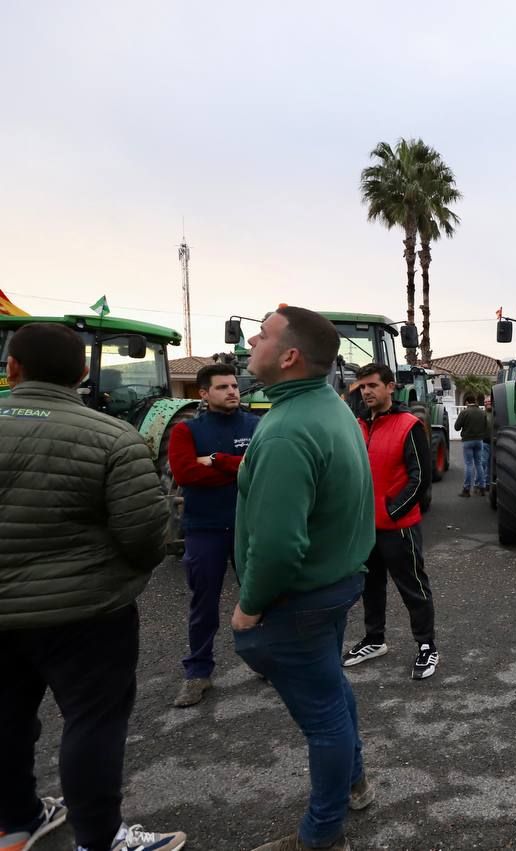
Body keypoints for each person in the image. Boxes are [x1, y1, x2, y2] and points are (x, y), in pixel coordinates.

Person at [0, 323, 186, 851]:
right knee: (93, 722)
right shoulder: (112, 437)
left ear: (11, 368)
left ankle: (16, 819)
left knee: (6, 718)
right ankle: (100, 839)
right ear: (83, 373)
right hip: (84, 615)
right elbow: (145, 535)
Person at [231, 307, 377, 851]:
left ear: (290, 355)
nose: (252, 339)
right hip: (332, 587)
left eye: (263, 334)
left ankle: (322, 835)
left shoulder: (289, 430)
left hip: (299, 598)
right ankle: (354, 783)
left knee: (323, 719)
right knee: (333, 693)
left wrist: (250, 606)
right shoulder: (328, 407)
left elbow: (277, 546)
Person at [168, 363, 259, 707]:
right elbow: (186, 473)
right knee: (203, 603)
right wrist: (238, 467)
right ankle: (198, 672)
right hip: (204, 529)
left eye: (234, 385)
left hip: (248, 527)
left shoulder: (256, 425)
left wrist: (216, 460)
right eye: (222, 387)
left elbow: (260, 467)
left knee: (258, 597)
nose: (232, 391)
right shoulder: (185, 432)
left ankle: (264, 660)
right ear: (204, 394)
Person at [341, 364, 439, 680]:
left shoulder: (409, 425)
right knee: (371, 586)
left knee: (412, 587)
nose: (366, 392)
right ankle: (374, 639)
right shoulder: (356, 425)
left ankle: (427, 646)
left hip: (399, 528)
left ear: (390, 387)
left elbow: (420, 478)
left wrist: (393, 511)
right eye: (362, 387)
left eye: (372, 386)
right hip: (365, 528)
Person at [454, 394, 489, 497]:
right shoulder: (482, 413)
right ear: (475, 401)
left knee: (469, 464)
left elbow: (456, 427)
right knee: (479, 464)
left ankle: (466, 489)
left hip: (467, 441)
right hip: (479, 441)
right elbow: (486, 428)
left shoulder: (464, 412)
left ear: (466, 402)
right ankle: (482, 488)